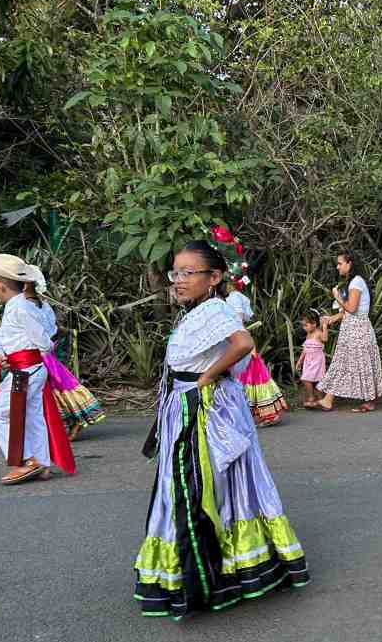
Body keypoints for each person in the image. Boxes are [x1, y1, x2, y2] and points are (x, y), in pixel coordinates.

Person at [133, 240, 308, 619]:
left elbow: (244, 343)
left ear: (213, 278)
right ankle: (233, 568)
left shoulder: (214, 308)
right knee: (220, 490)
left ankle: (202, 576)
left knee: (196, 490)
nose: (178, 280)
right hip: (186, 404)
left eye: (187, 273)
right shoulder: (196, 311)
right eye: (175, 273)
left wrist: (208, 376)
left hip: (203, 410)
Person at [0, 254, 75, 484]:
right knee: (33, 415)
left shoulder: (20, 308)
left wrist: (22, 355)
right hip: (28, 369)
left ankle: (29, 460)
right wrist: (0, 354)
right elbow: (3, 338)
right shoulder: (17, 306)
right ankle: (42, 462)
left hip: (26, 370)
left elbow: (43, 342)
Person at [26, 266, 106, 441]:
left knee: (49, 390)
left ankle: (61, 425)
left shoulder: (25, 307)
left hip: (37, 354)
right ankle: (66, 423)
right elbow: (52, 328)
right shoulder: (44, 305)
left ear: (25, 284)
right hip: (46, 353)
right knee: (60, 387)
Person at [315, 251, 382, 413]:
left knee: (357, 362)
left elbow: (351, 308)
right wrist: (332, 318)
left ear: (349, 263)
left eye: (340, 263)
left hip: (357, 329)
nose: (337, 267)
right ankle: (328, 400)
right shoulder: (353, 282)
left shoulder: (356, 282)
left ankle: (365, 400)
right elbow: (349, 311)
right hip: (352, 328)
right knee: (345, 362)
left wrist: (337, 296)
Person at [224, 279, 289, 427]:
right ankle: (262, 412)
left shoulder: (234, 298)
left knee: (248, 377)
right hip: (242, 339)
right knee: (253, 377)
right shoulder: (240, 297)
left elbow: (238, 321)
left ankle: (263, 413)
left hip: (238, 339)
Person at [296, 310, 328, 408]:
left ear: (314, 324)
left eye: (306, 325)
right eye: (303, 325)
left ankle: (314, 398)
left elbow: (325, 339)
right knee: (308, 379)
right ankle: (318, 399)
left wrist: (325, 327)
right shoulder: (308, 334)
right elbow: (305, 349)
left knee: (309, 379)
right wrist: (300, 361)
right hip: (308, 361)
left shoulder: (318, 333)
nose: (304, 328)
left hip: (317, 361)